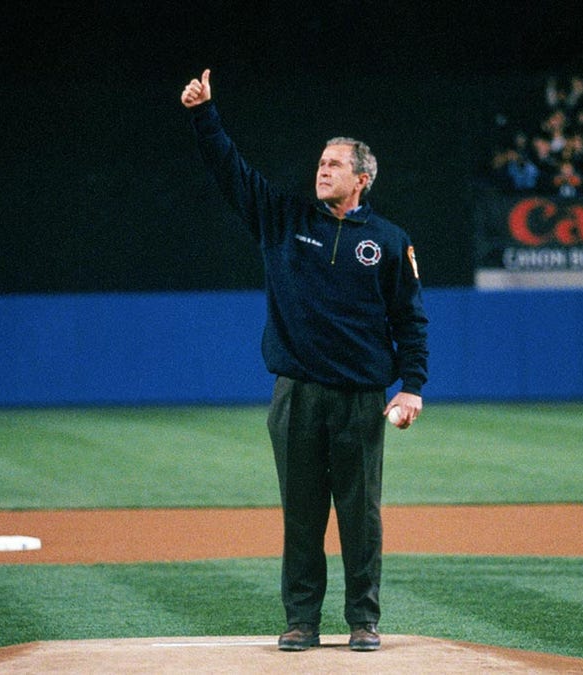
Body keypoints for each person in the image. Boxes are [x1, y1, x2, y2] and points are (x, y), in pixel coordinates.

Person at [179, 69, 429, 653]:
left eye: (335, 164)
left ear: (362, 178)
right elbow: (230, 172)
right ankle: (302, 622)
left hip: (362, 400)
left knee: (360, 519)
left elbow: (410, 320)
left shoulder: (390, 241)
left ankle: (363, 621)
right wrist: (204, 115)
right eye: (320, 161)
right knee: (302, 518)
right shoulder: (285, 222)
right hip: (296, 395)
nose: (322, 169)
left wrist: (411, 385)